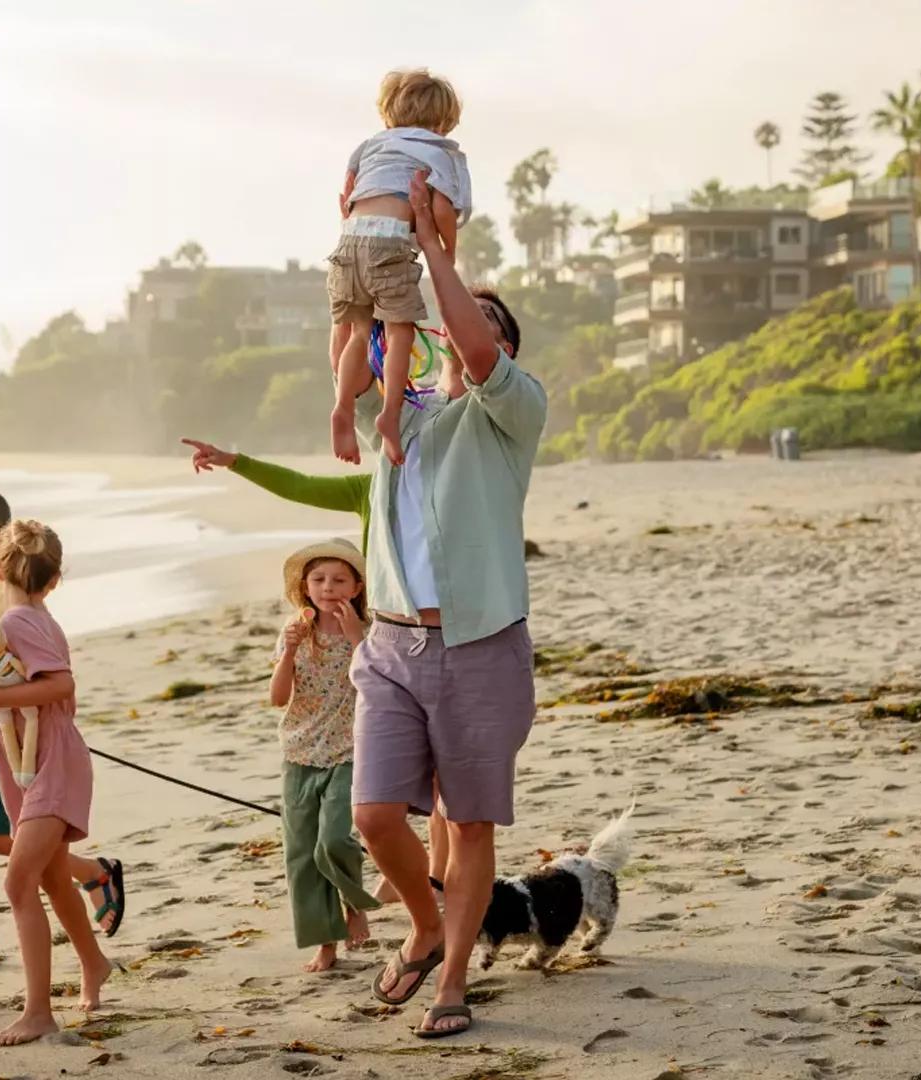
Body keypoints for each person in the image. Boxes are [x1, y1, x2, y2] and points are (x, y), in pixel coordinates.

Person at [346, 171, 547, 1040]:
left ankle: (453, 981)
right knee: (373, 814)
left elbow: (470, 347)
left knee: (468, 826)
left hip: (479, 648)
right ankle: (426, 928)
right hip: (390, 647)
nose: (468, 337)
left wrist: (436, 249)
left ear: (502, 352)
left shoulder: (515, 413)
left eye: (486, 329)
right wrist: (361, 243)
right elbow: (352, 360)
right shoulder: (404, 423)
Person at [177, 438, 452, 898]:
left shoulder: (451, 494)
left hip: (444, 632)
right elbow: (300, 485)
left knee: (443, 768)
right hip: (386, 633)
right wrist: (236, 461)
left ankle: (439, 872)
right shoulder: (371, 489)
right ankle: (415, 870)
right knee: (395, 767)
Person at [0, 487, 127, 978]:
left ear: (2, 542)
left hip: (7, 741)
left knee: (2, 848)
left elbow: (39, 683)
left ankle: (95, 873)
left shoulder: (13, 607)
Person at [328, 68, 471, 469]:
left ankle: (341, 405)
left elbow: (352, 189)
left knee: (359, 331)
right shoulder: (440, 152)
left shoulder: (370, 146)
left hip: (347, 242)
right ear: (444, 121)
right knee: (399, 331)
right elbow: (441, 207)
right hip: (389, 243)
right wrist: (447, 250)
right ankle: (389, 415)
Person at [269, 539, 383, 972]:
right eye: (318, 579)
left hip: (352, 748)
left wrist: (356, 638)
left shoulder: (370, 630)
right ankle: (326, 944)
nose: (328, 587)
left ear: (356, 587)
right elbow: (278, 698)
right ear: (305, 586)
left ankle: (355, 904)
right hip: (298, 749)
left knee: (334, 839)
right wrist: (291, 652)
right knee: (301, 854)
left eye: (339, 579)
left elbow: (377, 684)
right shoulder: (294, 631)